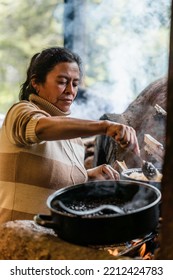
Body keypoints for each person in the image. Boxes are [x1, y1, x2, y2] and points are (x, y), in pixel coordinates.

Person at [0, 47, 140, 223]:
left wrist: (87, 176)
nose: (70, 91)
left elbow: (54, 184)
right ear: (36, 83)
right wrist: (104, 126)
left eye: (74, 84)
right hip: (14, 239)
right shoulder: (21, 112)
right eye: (62, 81)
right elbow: (41, 127)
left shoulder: (73, 138)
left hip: (52, 241)